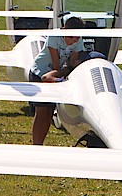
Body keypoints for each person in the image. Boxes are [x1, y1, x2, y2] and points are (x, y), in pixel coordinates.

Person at [28, 16, 86, 145]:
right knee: (41, 112)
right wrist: (60, 76)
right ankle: (35, 145)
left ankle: (40, 143)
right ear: (64, 30)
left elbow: (71, 62)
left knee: (49, 113)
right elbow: (55, 63)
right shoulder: (54, 36)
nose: (73, 41)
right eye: (70, 38)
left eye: (76, 39)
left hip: (55, 74)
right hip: (39, 72)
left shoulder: (78, 41)